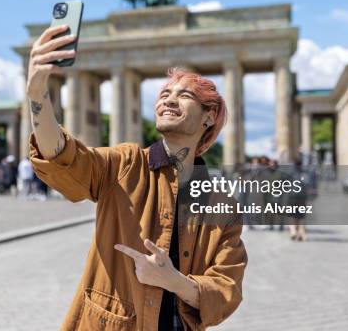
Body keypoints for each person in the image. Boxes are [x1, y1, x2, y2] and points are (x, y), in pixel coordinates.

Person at [26, 25, 247, 330]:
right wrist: (37, 95)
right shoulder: (125, 164)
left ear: (209, 116)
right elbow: (64, 158)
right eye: (164, 94)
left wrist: (174, 281)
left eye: (184, 95)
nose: (168, 100)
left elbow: (227, 290)